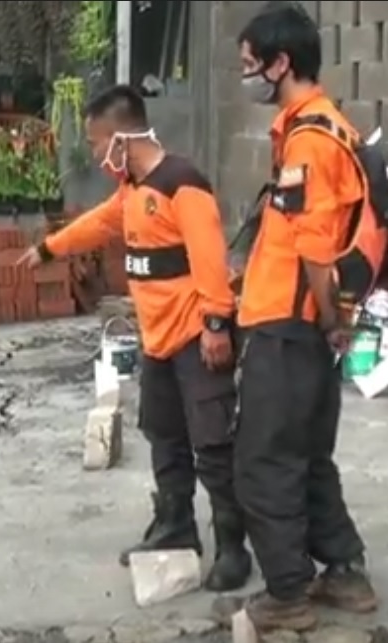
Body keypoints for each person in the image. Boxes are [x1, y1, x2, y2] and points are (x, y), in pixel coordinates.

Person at [19, 84, 251, 592]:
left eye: (100, 145)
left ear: (123, 138)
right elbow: (100, 224)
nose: (99, 157)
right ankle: (175, 528)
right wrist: (49, 248)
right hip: (158, 342)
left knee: (212, 444)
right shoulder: (132, 192)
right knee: (165, 439)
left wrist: (216, 325)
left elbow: (210, 260)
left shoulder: (183, 185)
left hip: (195, 335)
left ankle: (234, 547)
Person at [213, 4, 381, 631]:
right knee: (308, 455)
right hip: (305, 326)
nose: (247, 75)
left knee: (261, 462)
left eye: (251, 63)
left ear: (281, 63)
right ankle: (344, 572)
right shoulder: (329, 126)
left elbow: (314, 247)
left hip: (288, 326)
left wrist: (329, 318)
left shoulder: (309, 139)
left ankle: (287, 592)